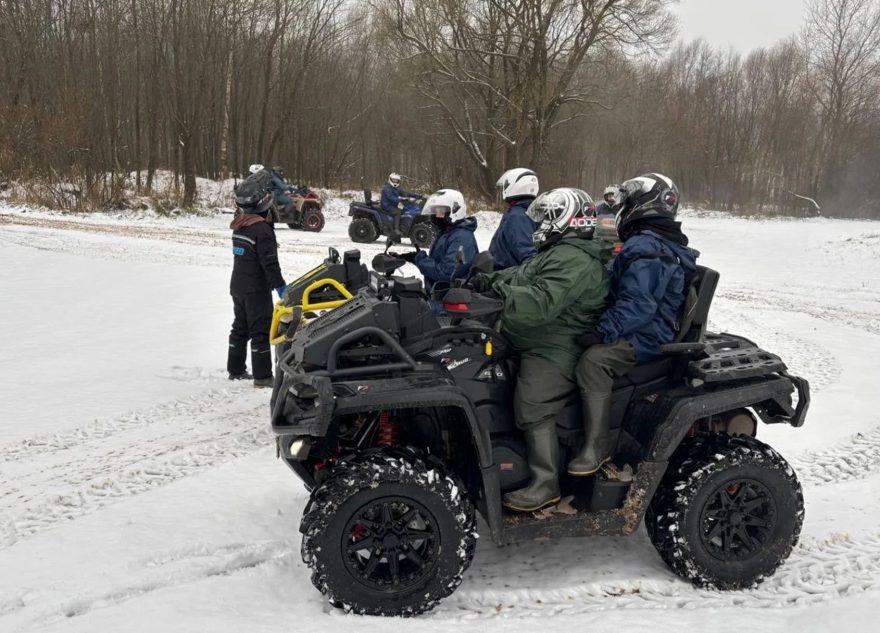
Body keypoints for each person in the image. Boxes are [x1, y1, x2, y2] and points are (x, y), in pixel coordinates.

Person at [472, 189, 611, 512]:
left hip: (556, 346)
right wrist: (487, 281)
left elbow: (540, 303)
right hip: (536, 337)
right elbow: (524, 274)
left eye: (548, 216)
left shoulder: (575, 259)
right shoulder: (559, 250)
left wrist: (501, 295)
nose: (542, 223)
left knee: (532, 401)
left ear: (569, 219)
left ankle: (545, 482)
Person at [569, 173, 698, 476]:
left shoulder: (647, 246)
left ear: (647, 204)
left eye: (629, 201)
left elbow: (639, 305)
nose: (622, 208)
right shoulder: (650, 241)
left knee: (593, 361)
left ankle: (597, 446)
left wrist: (602, 331)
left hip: (649, 335)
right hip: (644, 325)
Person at [228, 177, 287, 388]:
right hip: (255, 289)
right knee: (260, 331)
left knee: (239, 328)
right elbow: (269, 263)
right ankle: (262, 377)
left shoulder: (239, 225)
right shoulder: (262, 230)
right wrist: (280, 286)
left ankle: (235, 369)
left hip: (238, 286)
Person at [397, 189, 478, 292]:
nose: (436, 216)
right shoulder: (448, 231)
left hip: (450, 296)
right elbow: (438, 261)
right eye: (435, 211)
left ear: (455, 211)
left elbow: (447, 273)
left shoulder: (461, 238)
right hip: (438, 292)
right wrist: (414, 257)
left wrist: (419, 259)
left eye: (441, 211)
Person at [489, 168, 539, 269]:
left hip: (504, 276)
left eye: (506, 185)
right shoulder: (531, 212)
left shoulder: (517, 216)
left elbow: (527, 251)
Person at [381, 172, 420, 238]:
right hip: (387, 206)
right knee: (398, 212)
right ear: (390, 180)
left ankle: (402, 227)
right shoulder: (387, 187)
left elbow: (404, 193)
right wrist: (400, 200)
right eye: (394, 180)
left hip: (393, 205)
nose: (395, 182)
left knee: (404, 210)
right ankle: (396, 229)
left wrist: (415, 195)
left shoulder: (396, 188)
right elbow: (390, 197)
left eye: (397, 180)